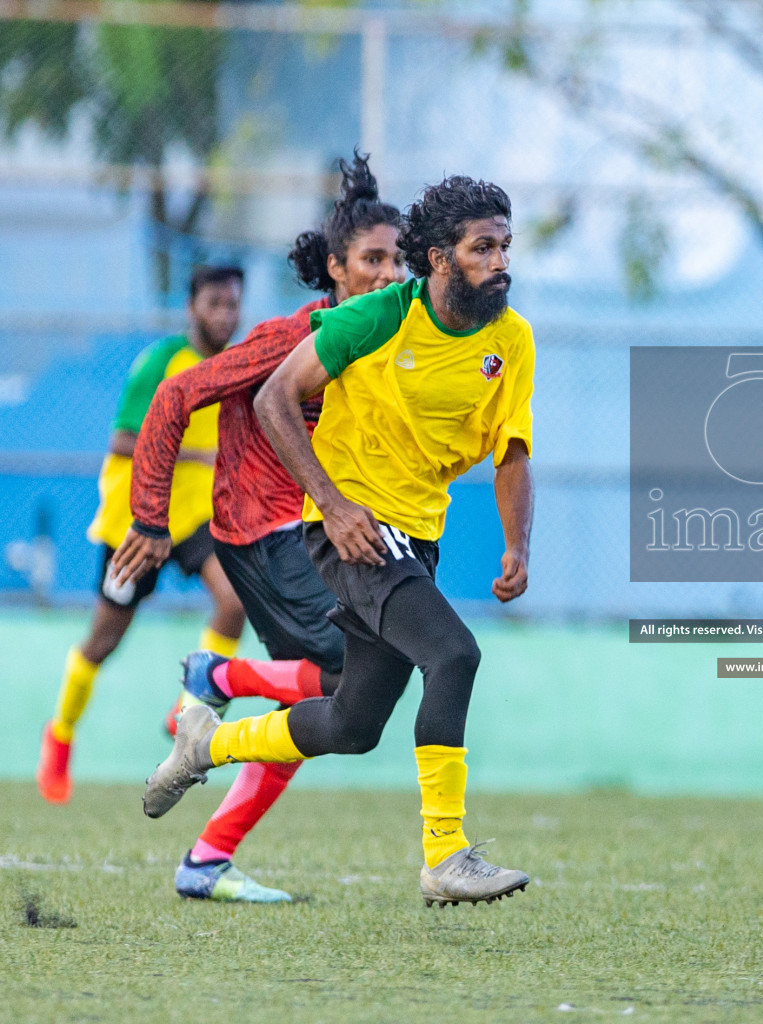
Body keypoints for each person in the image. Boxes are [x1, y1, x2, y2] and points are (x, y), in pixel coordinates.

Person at [141, 175, 537, 909]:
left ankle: (206, 743)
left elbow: (512, 452)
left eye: (505, 245)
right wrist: (331, 501)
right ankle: (445, 855)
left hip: (415, 535)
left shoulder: (510, 340)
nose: (501, 261)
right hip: (349, 532)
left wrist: (517, 545)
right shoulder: (381, 317)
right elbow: (272, 399)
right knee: (453, 654)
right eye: (483, 247)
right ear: (439, 258)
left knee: (352, 724)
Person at [111, 153, 405, 902]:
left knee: (310, 712)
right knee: (355, 669)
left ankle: (206, 861)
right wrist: (149, 515)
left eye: (395, 259)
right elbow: (176, 397)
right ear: (336, 268)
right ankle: (216, 676)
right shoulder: (287, 340)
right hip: (261, 530)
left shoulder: (382, 345)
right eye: (371, 259)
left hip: (302, 534)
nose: (385, 273)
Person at [37, 266, 247, 805]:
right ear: (191, 306)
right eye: (214, 304)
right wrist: (199, 455)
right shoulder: (161, 361)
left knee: (234, 601)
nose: (225, 315)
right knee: (103, 642)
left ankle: (187, 711)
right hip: (137, 518)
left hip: (194, 516)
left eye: (233, 304)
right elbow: (125, 440)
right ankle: (60, 734)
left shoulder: (231, 365)